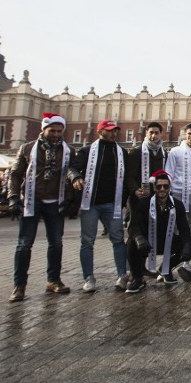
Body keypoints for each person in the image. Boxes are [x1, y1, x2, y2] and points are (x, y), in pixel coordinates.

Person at [6, 113, 75, 301]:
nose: (56, 134)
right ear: (43, 130)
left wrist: (69, 199)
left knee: (56, 243)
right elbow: (15, 174)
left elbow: (71, 173)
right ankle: (19, 286)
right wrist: (12, 197)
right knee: (24, 244)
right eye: (52, 131)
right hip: (31, 200)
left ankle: (53, 280)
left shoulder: (68, 150)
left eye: (59, 131)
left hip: (55, 201)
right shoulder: (27, 148)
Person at [68, 119, 129, 293]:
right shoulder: (87, 151)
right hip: (91, 203)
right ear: (100, 131)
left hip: (112, 203)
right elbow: (73, 168)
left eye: (115, 130)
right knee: (87, 241)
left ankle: (122, 275)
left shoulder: (122, 152)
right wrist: (75, 177)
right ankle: (89, 278)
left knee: (118, 239)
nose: (113, 133)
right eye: (109, 130)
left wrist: (124, 199)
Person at [125, 170, 191, 293]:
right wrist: (139, 238)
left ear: (169, 187)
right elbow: (134, 226)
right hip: (147, 242)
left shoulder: (177, 205)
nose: (162, 189)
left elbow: (184, 228)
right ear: (154, 188)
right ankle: (137, 278)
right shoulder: (143, 204)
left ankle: (166, 269)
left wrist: (188, 244)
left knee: (190, 245)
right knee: (131, 244)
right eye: (159, 186)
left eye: (165, 186)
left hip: (166, 241)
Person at [125, 121, 167, 221]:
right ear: (146, 133)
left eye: (156, 133)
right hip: (140, 195)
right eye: (151, 132)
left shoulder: (164, 153)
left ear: (161, 134)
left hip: (158, 195)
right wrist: (135, 190)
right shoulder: (137, 151)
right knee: (137, 223)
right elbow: (129, 175)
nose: (153, 136)